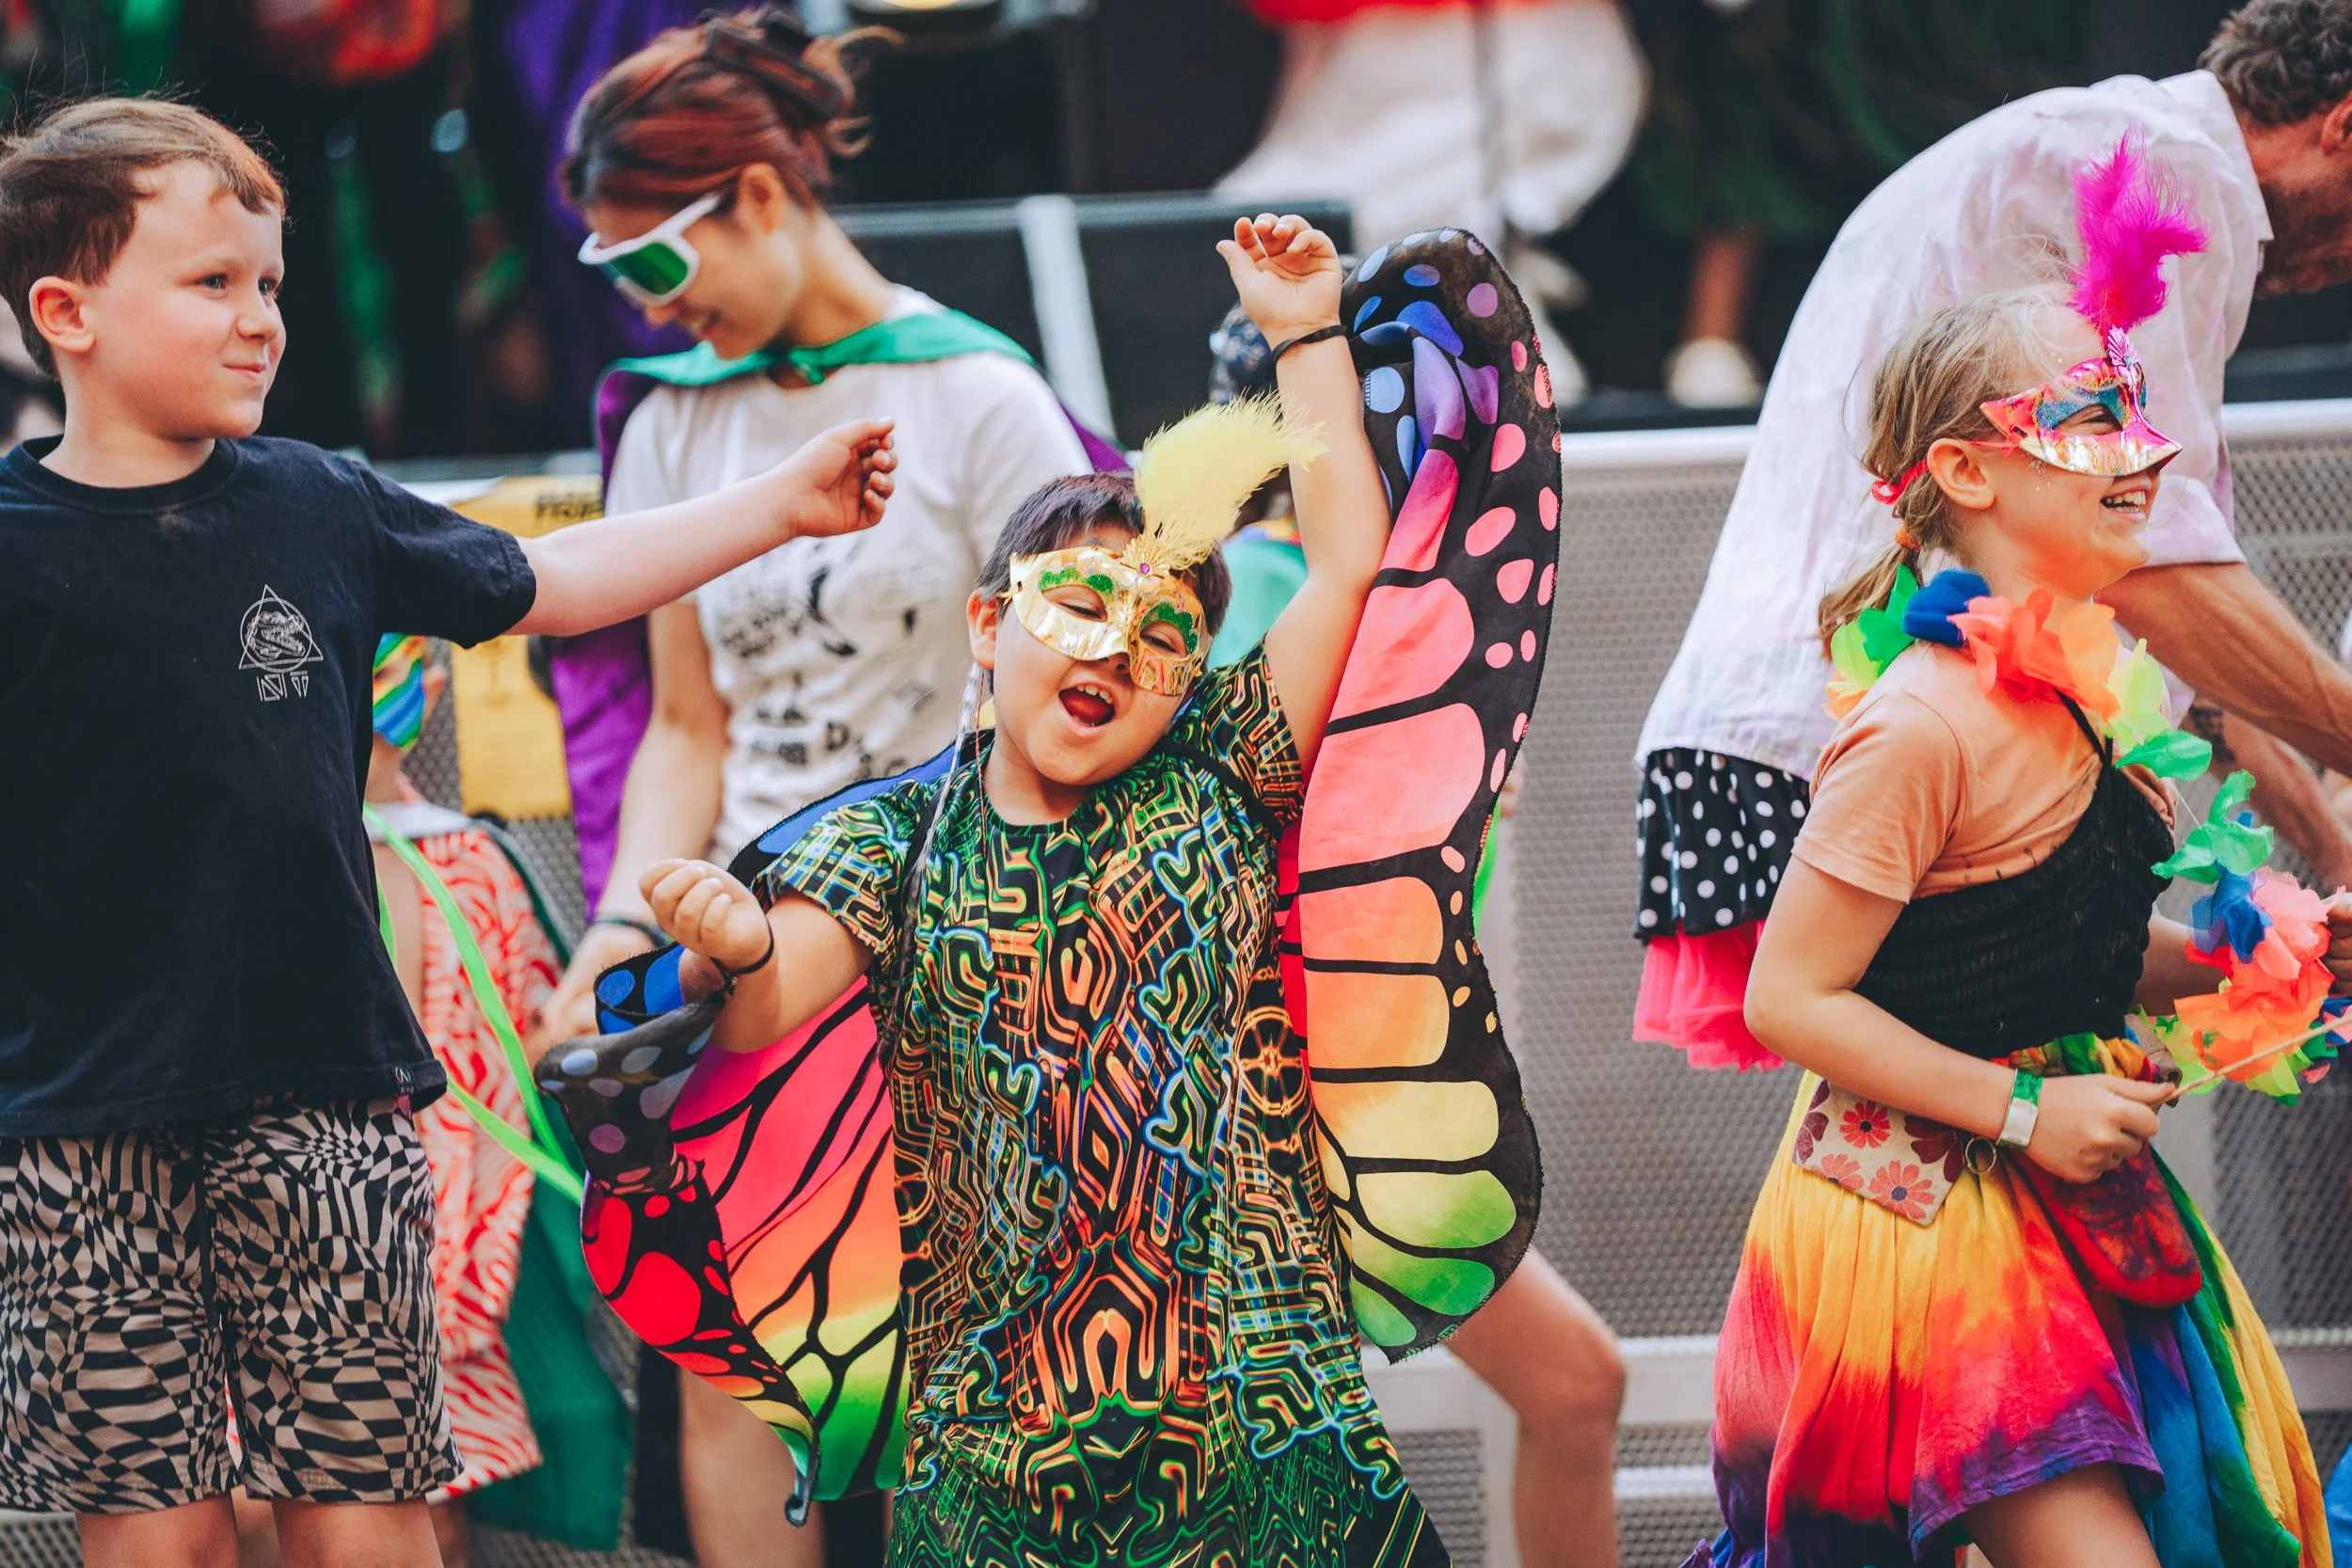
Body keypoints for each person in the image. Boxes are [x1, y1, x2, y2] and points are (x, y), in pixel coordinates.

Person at [541, 214, 1554, 1564]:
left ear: (1196, 673)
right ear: (986, 620)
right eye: (1076, 604)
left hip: (1268, 1432)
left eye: (1162, 635)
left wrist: (1306, 329)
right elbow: (775, 997)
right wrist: (728, 949)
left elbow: (1347, 566)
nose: (1113, 650)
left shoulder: (1226, 771)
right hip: (996, 1454)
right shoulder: (899, 834)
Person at [0, 96, 896, 1568]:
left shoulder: (317, 504)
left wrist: (774, 505)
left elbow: (555, 575)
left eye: (272, 284)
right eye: (213, 283)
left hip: (325, 1100)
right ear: (66, 309)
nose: (261, 320)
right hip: (78, 1127)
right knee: (157, 1537)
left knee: (367, 1521)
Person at [522, 8, 1096, 1559]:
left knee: (953, 1352)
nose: (650, 302)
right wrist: (614, 931)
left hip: (954, 942)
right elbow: (687, 726)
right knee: (733, 1356)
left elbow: (1054, 713)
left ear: (760, 200)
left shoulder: (978, 398)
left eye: (652, 263)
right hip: (736, 947)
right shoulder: (671, 419)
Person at [1690, 245, 2340, 1564]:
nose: (2140, 450)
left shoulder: (2075, 685)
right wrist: (2028, 1107)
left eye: (2134, 405)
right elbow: (1789, 995)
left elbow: (2063, 954)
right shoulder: (1921, 725)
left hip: (2063, 1186)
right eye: (2091, 414)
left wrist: (2269, 953)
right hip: (1926, 1209)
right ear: (1970, 472)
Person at [1634, 0, 2352, 1072]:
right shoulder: (2160, 163)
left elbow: (2184, 617)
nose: (2137, 465)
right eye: (2103, 428)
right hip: (1832, 718)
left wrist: (2332, 848)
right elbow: (2165, 578)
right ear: (2340, 123)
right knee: (1966, 1128)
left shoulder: (2132, 151)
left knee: (1994, 1104)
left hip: (1779, 726)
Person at [1204, 296, 1627, 1568]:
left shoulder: (1413, 604)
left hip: (1352, 1092)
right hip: (1241, 1111)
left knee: (1575, 1387)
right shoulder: (1267, 595)